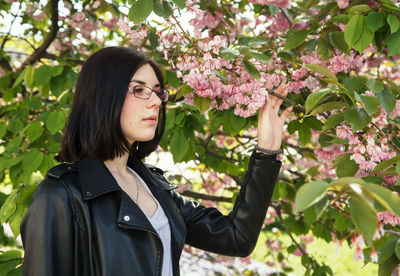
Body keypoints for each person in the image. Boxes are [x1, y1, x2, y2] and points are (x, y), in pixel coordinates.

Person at [20, 46, 292, 276]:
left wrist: (266, 152)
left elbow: (237, 238)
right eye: (139, 90)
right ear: (103, 96)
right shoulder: (61, 195)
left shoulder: (154, 186)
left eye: (157, 91)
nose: (156, 102)